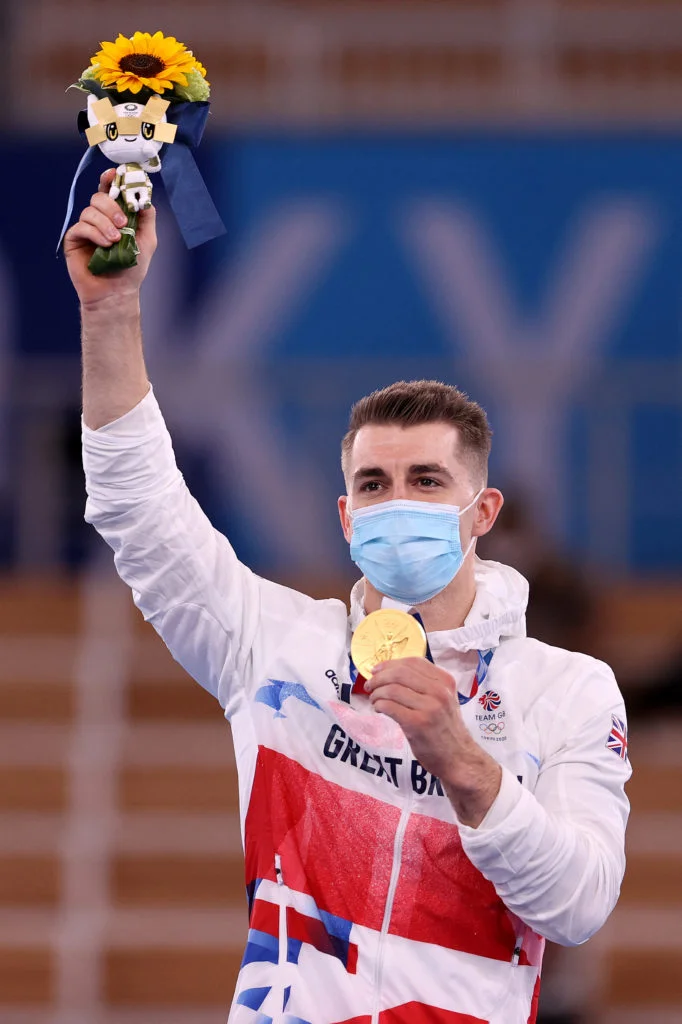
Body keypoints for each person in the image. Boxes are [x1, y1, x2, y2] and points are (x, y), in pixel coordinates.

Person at [65, 173, 631, 1024]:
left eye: (426, 481)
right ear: (345, 515)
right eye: (374, 483)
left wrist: (468, 768)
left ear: (483, 511)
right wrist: (110, 315)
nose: (397, 501)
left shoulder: (571, 690)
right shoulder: (272, 642)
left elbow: (580, 904)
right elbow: (138, 510)